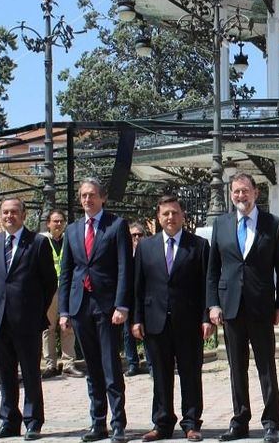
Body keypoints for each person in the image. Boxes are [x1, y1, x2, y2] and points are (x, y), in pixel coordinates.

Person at [206, 172, 279, 443]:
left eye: (245, 191)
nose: (240, 196)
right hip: (230, 307)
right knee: (236, 367)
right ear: (231, 195)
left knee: (266, 366)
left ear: (256, 192)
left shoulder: (274, 224)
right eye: (236, 192)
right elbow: (213, 269)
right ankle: (240, 420)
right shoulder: (221, 224)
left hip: (262, 307)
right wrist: (213, 304)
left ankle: (271, 422)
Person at [133, 195, 213, 442]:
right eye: (166, 214)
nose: (170, 217)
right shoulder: (146, 247)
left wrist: (206, 317)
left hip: (188, 322)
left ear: (182, 216)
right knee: (160, 375)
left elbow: (206, 286)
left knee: (190, 374)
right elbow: (137, 286)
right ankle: (162, 423)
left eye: (175, 213)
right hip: (155, 321)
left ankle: (191, 423)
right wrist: (136, 319)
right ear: (158, 217)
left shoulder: (198, 246)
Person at [59, 178, 131, 443]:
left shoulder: (116, 225)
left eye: (91, 195)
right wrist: (64, 310)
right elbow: (66, 272)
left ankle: (118, 423)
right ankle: (98, 422)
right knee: (92, 367)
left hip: (107, 306)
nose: (86, 200)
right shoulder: (73, 230)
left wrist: (121, 305)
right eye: (82, 196)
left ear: (102, 198)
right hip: (80, 306)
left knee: (110, 365)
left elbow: (125, 267)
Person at [0, 198, 57, 441]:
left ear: (24, 215)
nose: (9, 216)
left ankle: (33, 421)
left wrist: (37, 311)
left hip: (28, 321)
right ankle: (9, 421)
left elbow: (50, 282)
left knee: (30, 374)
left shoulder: (37, 242)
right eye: (5, 212)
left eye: (14, 212)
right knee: (5, 375)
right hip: (0, 320)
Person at [41, 209, 84, 379]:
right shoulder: (42, 241)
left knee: (68, 327)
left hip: (68, 289)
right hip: (49, 290)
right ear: (48, 224)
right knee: (48, 328)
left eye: (61, 221)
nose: (58, 224)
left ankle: (68, 363)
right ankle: (50, 365)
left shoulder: (71, 240)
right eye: (55, 221)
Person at [124, 221, 152, 378]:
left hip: (146, 297)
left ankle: (151, 363)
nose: (136, 238)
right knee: (128, 332)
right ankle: (132, 364)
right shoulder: (125, 253)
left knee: (147, 332)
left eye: (139, 235)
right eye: (133, 235)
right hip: (129, 298)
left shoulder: (149, 251)